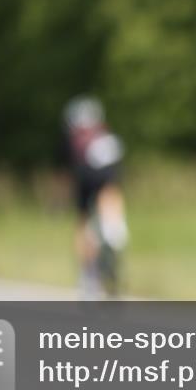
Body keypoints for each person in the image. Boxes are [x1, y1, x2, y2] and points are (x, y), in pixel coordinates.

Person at [62, 95, 129, 298]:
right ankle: (113, 228)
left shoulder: (74, 139)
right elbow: (113, 177)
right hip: (105, 182)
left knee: (83, 223)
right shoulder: (109, 139)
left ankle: (88, 274)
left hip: (87, 180)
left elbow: (68, 171)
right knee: (109, 195)